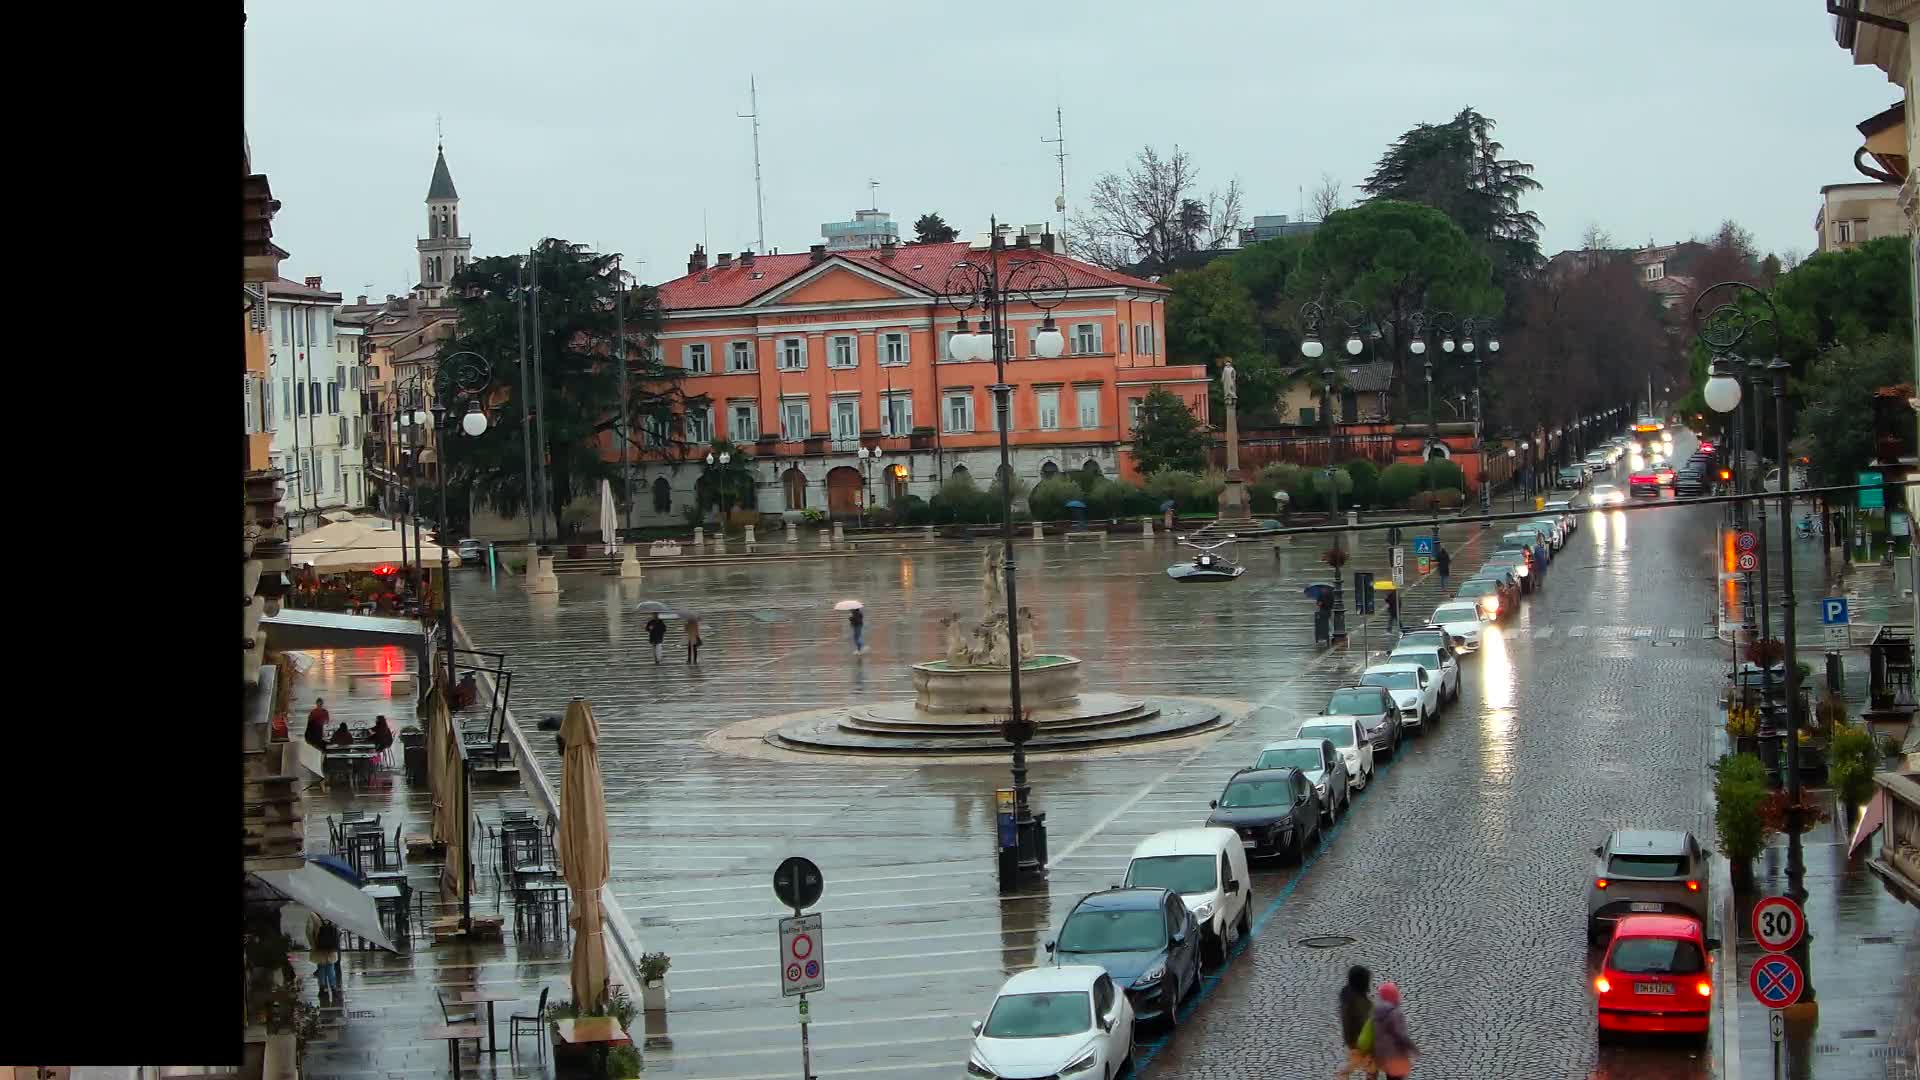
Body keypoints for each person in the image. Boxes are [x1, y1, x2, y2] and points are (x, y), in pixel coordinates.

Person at [1335, 965, 1376, 1080]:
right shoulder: (1359, 1002)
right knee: (1368, 1067)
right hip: (1362, 1041)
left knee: (1368, 1066)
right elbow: (1365, 1022)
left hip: (1352, 1040)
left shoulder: (1348, 996)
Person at [1371, 981, 1418, 1080]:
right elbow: (1401, 1035)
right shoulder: (1396, 1013)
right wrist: (1413, 1048)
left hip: (1384, 1057)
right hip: (1396, 1057)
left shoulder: (1376, 1013)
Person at [309, 915, 342, 1004]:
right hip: (331, 948)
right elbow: (338, 930)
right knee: (331, 967)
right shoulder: (332, 913)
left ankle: (322, 989)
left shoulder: (313, 916)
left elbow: (309, 932)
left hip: (319, 947)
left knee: (321, 968)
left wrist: (313, 945)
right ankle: (333, 988)